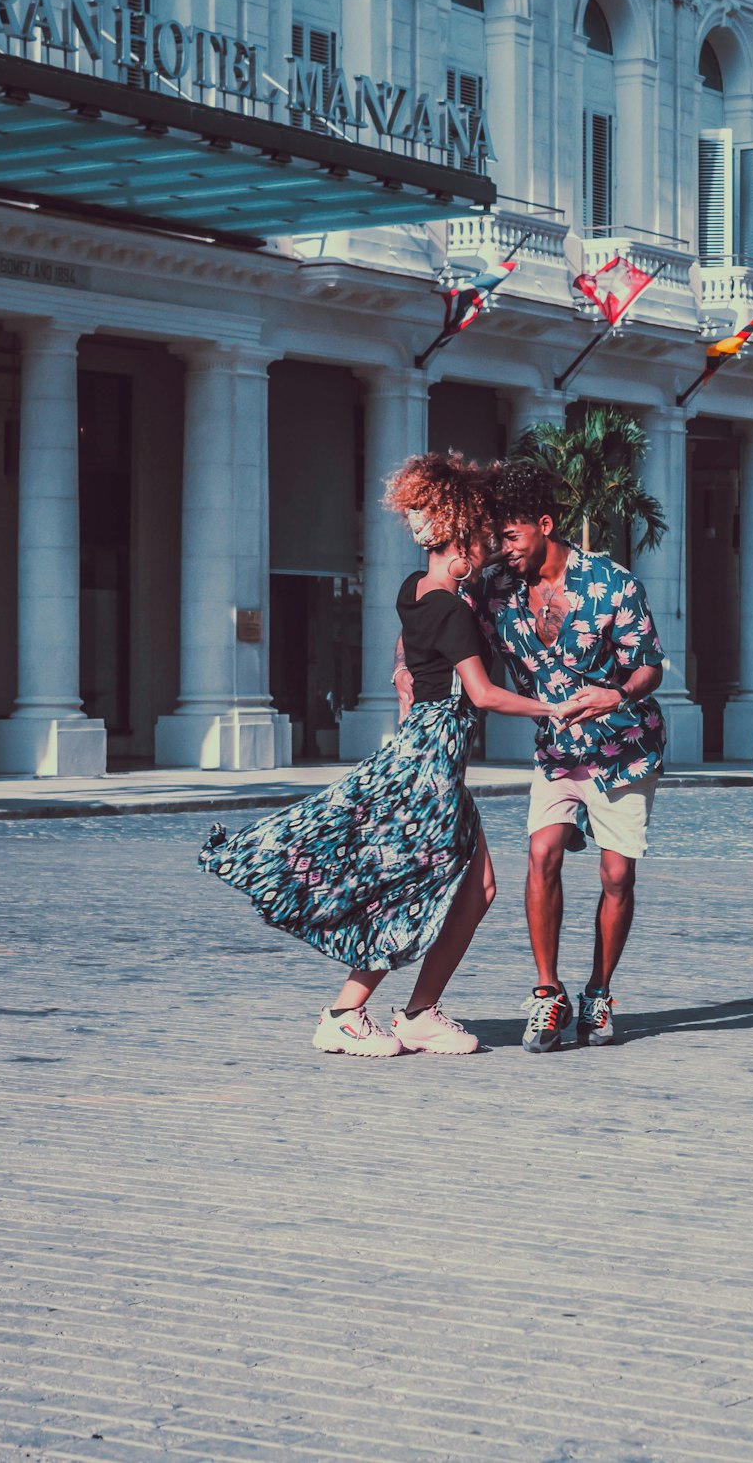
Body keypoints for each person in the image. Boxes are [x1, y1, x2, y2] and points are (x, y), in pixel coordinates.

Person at [200, 452, 575, 1058]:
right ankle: (346, 1012)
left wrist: (406, 669)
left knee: (476, 889)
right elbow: (481, 693)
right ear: (457, 548)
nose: (486, 554)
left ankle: (420, 1012)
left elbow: (412, 649)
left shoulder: (416, 590)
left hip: (427, 755)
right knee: (409, 887)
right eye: (479, 544)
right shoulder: (451, 608)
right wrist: (553, 708)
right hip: (430, 761)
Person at [396, 458, 665, 1053]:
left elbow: (650, 664)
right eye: (497, 538)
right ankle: (548, 994)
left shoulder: (612, 582)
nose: (503, 548)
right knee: (541, 854)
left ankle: (598, 992)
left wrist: (615, 692)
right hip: (555, 751)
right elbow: (431, 613)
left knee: (617, 874)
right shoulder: (493, 585)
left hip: (624, 747)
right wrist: (402, 665)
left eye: (512, 536)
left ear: (545, 525)